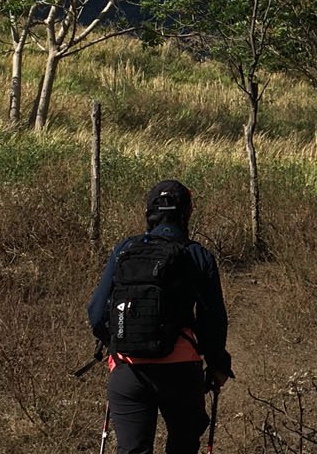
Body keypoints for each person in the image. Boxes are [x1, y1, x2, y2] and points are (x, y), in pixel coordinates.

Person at [87, 179, 234, 454]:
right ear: (187, 213)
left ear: (149, 212)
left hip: (128, 370)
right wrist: (217, 365)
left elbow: (96, 312)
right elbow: (212, 319)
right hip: (181, 373)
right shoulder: (198, 255)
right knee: (183, 446)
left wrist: (118, 344)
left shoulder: (124, 250)